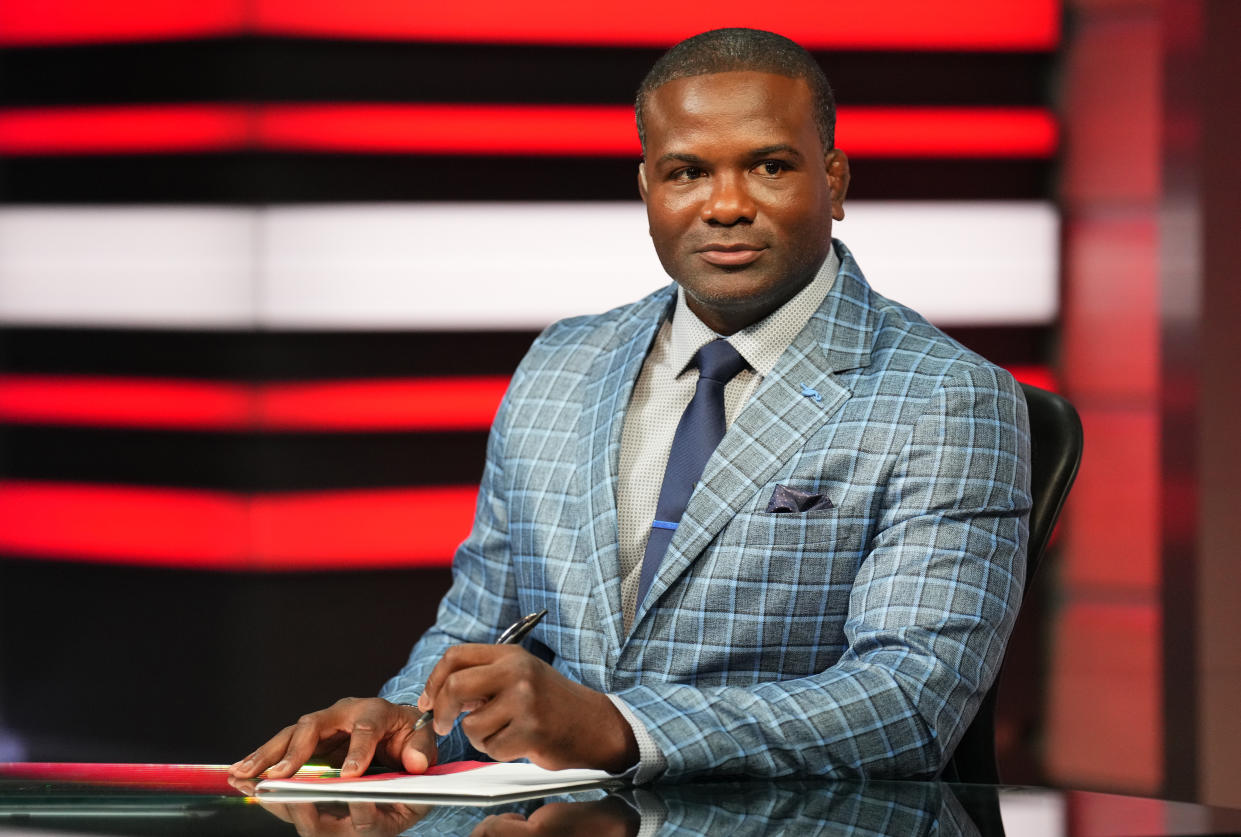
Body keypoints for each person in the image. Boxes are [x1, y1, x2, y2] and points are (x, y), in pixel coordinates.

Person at [230, 27, 1030, 785]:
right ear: (647, 187)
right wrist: (403, 719)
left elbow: (908, 704)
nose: (724, 206)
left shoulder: (948, 399)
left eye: (769, 167)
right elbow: (477, 624)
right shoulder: (559, 363)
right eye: (686, 172)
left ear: (836, 181)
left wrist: (620, 727)